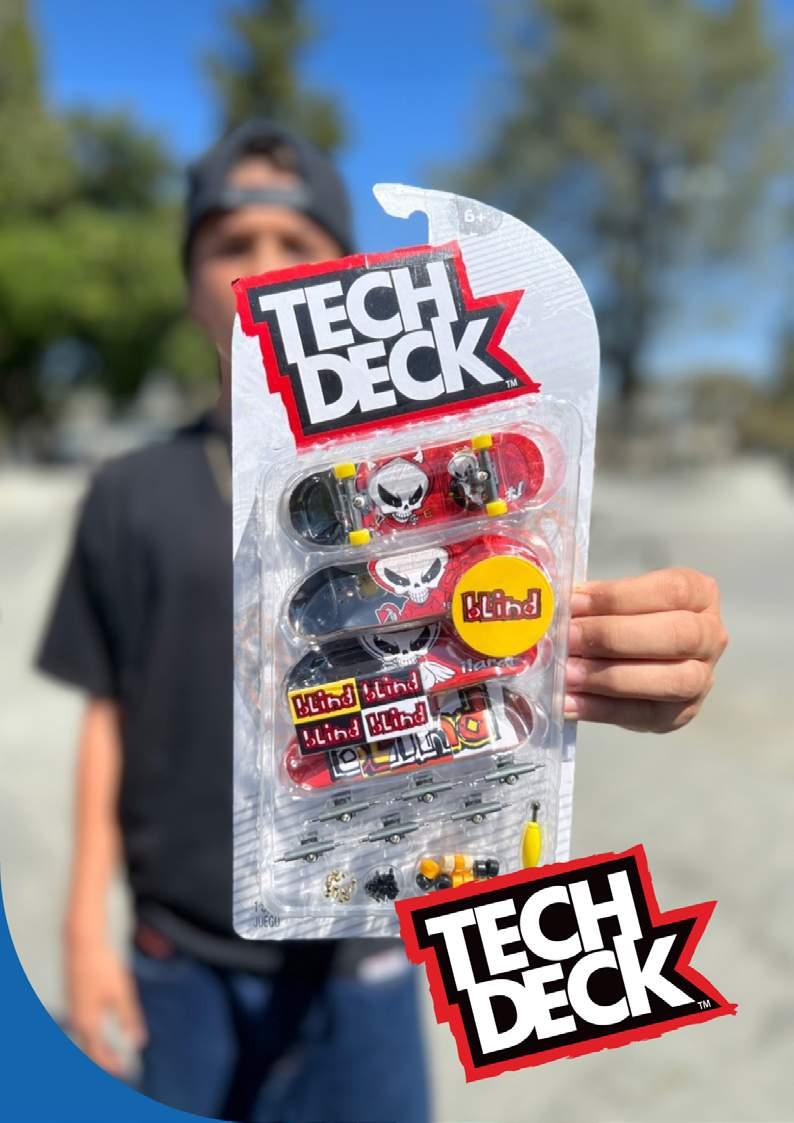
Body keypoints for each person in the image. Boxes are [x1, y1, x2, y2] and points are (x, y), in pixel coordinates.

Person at [37, 119, 728, 1123]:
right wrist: (81, 927)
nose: (259, 266)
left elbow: (505, 656)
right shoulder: (128, 491)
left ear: (346, 284)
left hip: (367, 951)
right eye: (229, 244)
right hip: (178, 950)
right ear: (189, 286)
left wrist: (625, 656)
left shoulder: (432, 491)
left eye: (294, 243)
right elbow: (106, 710)